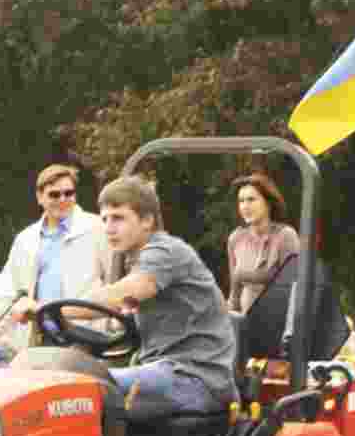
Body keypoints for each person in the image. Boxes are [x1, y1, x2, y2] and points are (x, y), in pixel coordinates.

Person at [67, 174, 238, 422]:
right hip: (164, 370)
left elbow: (123, 293)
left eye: (118, 218)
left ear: (147, 220)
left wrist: (51, 309)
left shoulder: (165, 252)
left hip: (195, 377)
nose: (108, 227)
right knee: (71, 376)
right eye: (104, 219)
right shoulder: (138, 259)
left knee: (83, 389)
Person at [0, 164, 111, 362]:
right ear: (40, 197)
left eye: (69, 193)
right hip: (41, 337)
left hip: (87, 336)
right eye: (54, 195)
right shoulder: (26, 240)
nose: (63, 199)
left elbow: (115, 281)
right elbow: (6, 292)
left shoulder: (98, 228)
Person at [226, 172, 301, 313]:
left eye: (251, 200)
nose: (245, 206)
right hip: (246, 323)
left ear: (268, 203)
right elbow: (234, 296)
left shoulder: (285, 236)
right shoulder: (235, 238)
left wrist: (246, 275)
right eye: (241, 201)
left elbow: (295, 288)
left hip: (279, 321)